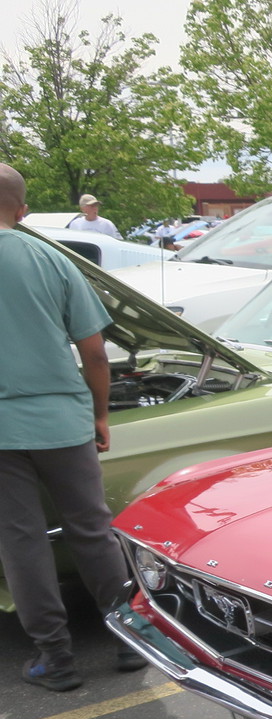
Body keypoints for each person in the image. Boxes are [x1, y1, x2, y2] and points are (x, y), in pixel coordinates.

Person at [0, 164, 145, 691]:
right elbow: (94, 354)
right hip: (63, 418)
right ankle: (129, 640)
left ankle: (53, 658)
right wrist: (100, 414)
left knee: (20, 542)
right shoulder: (53, 259)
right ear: (23, 210)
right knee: (92, 529)